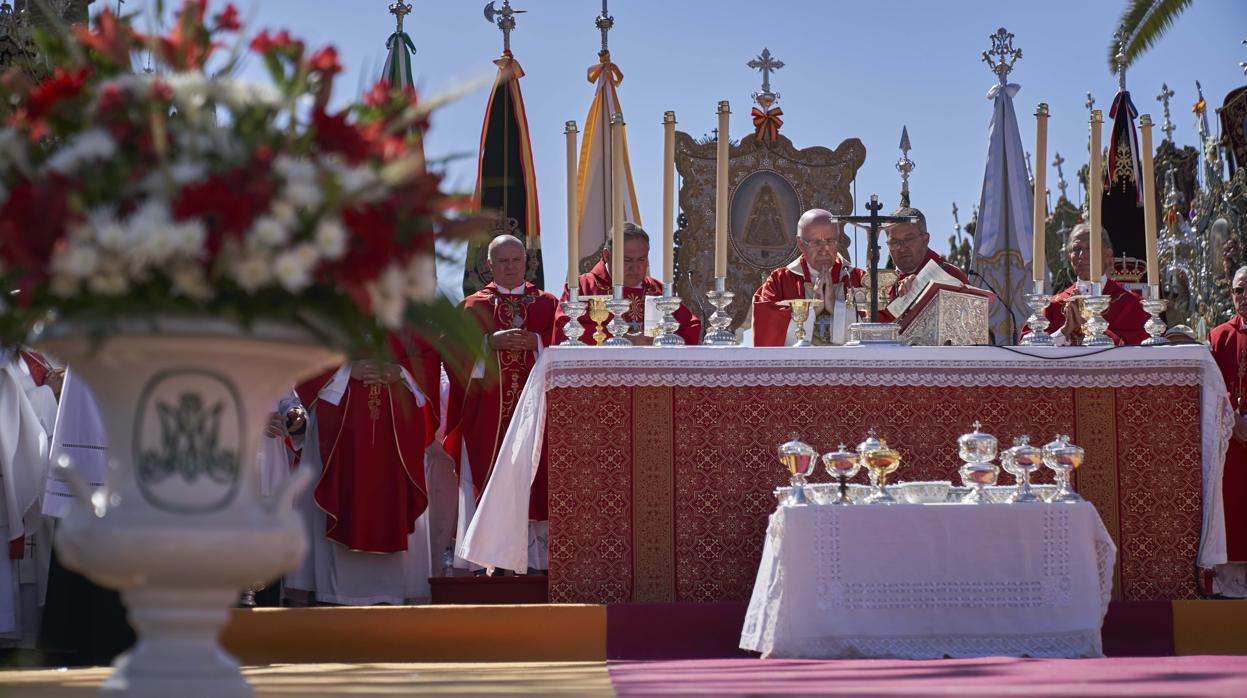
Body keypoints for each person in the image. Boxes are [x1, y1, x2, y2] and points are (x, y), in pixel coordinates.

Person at [285, 332, 436, 606]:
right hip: (341, 417)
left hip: (397, 424)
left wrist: (400, 371)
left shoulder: (401, 309)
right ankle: (336, 593)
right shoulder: (333, 313)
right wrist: (345, 369)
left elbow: (426, 354)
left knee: (390, 493)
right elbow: (307, 354)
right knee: (343, 490)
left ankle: (393, 589)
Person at [444, 235, 559, 573]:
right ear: (489, 265)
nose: (511, 268)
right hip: (487, 413)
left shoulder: (547, 304)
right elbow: (451, 353)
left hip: (538, 411)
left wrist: (537, 342)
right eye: (503, 262)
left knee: (535, 477)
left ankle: (536, 560)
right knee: (487, 473)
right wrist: (487, 342)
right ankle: (486, 557)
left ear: (527, 263)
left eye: (516, 260)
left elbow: (565, 347)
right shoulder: (473, 306)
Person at [555, 223, 700, 345]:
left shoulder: (658, 291)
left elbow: (690, 326)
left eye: (641, 259)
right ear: (607, 256)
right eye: (627, 260)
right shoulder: (581, 288)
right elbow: (564, 331)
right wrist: (622, 339)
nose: (635, 267)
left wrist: (663, 342)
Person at [1019, 223, 1149, 346]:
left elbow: (1138, 353)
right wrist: (1063, 332)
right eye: (1077, 249)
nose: (1083, 255)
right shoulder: (1053, 306)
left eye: (1090, 247)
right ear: (1070, 257)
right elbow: (1029, 349)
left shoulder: (1130, 304)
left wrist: (1087, 325)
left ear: (1108, 256)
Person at [752, 209, 865, 346]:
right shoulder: (779, 282)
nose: (824, 250)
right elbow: (766, 330)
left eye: (830, 241)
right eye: (816, 243)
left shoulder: (858, 279)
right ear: (800, 243)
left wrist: (836, 307)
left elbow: (877, 328)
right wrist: (812, 310)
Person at [1206, 265, 1247, 597]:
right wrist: (1233, 419)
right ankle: (1231, 585)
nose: (1243, 296)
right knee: (1233, 507)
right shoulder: (1218, 336)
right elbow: (1211, 388)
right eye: (1238, 290)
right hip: (1230, 441)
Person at [883, 206, 969, 302]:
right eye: (895, 242)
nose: (902, 248)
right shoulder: (883, 289)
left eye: (909, 239)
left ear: (925, 239)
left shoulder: (949, 277)